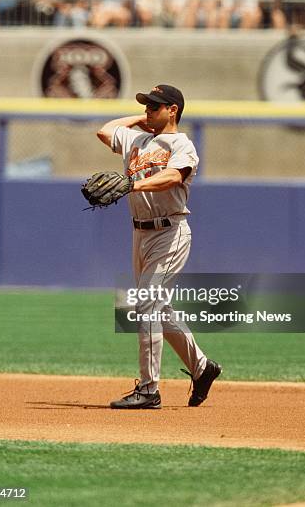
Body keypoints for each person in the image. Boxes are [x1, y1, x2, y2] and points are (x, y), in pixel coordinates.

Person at [96, 84, 222, 409]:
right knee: (157, 310)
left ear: (173, 110)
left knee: (145, 305)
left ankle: (149, 390)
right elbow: (104, 131)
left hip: (170, 232)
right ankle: (202, 368)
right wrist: (142, 118)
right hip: (139, 234)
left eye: (155, 106)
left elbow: (173, 177)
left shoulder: (183, 145)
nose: (149, 110)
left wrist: (132, 183)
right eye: (147, 106)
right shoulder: (136, 140)